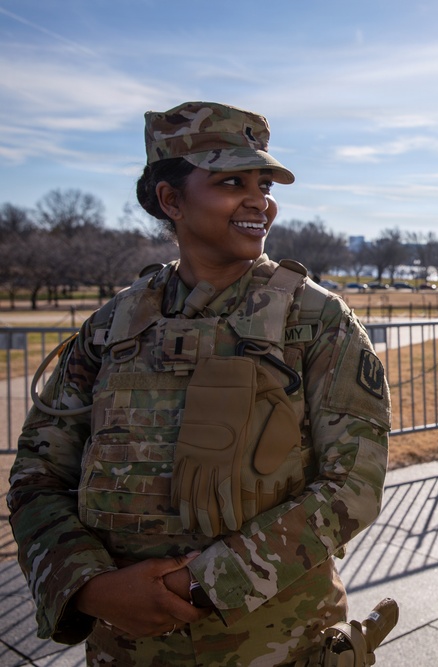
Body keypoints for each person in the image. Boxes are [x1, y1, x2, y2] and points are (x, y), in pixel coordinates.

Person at [6, 101, 391, 666]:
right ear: (171, 200)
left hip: (279, 650)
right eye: (232, 181)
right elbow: (37, 477)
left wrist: (201, 586)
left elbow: (352, 485)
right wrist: (89, 587)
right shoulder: (110, 328)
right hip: (125, 650)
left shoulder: (315, 321)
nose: (259, 200)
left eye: (263, 182)